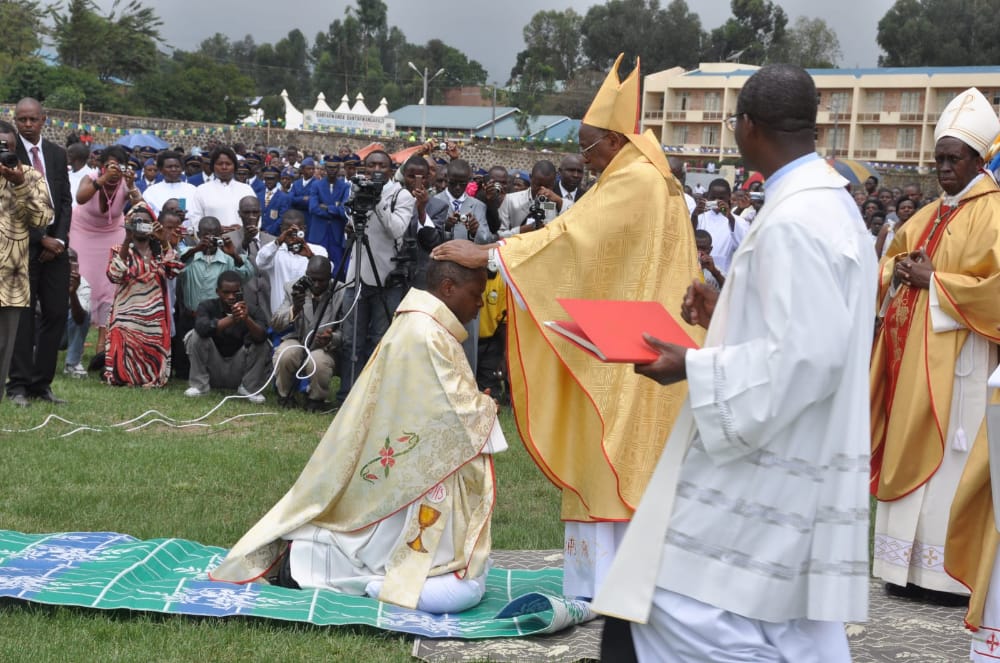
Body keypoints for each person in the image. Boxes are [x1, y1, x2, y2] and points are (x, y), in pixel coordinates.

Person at [591, 63, 877, 661]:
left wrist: (692, 367)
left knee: (671, 603)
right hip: (796, 450)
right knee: (789, 627)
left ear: (747, 126)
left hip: (767, 467)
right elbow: (805, 327)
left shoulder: (796, 221)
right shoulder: (830, 206)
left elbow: (807, 359)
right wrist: (728, 309)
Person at [432, 53, 702, 604]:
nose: (583, 158)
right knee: (614, 455)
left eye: (587, 146)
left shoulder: (637, 182)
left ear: (615, 141)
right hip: (631, 336)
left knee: (615, 454)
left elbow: (571, 241)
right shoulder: (643, 176)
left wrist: (488, 254)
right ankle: (612, 587)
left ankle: (612, 588)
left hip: (635, 350)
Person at [210, 259, 504, 615]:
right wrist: (484, 408)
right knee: (382, 543)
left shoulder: (430, 326)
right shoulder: (424, 332)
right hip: (412, 459)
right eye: (475, 295)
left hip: (414, 456)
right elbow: (450, 407)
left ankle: (314, 560)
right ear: (447, 288)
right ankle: (305, 564)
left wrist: (477, 406)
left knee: (397, 538)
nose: (479, 304)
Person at [871, 87, 1000, 605]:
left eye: (954, 158)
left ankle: (946, 577)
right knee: (913, 456)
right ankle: (902, 569)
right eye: (939, 158)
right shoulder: (928, 213)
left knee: (951, 463)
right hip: (913, 368)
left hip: (964, 366)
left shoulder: (994, 213)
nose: (944, 167)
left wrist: (937, 283)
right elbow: (890, 261)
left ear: (979, 157)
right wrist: (897, 271)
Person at [7, 98, 74, 407]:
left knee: (57, 312)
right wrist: (40, 238)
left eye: (33, 119)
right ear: (15, 120)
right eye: (22, 119)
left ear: (44, 119)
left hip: (56, 249)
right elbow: (11, 203)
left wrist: (58, 240)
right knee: (23, 318)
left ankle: (41, 383)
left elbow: (64, 201)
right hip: (23, 247)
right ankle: (18, 384)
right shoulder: (8, 152)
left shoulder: (57, 154)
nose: (28, 124)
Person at [335, 150, 414, 402]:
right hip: (356, 274)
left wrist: (378, 199)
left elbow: (396, 230)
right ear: (365, 168)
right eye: (372, 165)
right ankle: (347, 394)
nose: (377, 169)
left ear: (391, 170)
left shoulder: (402, 195)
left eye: (382, 165)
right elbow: (351, 219)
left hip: (386, 277)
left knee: (380, 340)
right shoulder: (356, 187)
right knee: (350, 340)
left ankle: (372, 397)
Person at [71, 145, 144, 371]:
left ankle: (102, 344)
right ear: (101, 166)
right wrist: (102, 180)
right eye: (109, 165)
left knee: (109, 286)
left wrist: (131, 185)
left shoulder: (125, 183)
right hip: (83, 231)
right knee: (83, 282)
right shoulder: (91, 177)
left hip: (112, 233)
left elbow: (141, 207)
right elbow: (81, 198)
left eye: (118, 166)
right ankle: (76, 342)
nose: (114, 170)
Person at [0, 122, 53, 405]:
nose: (3, 152)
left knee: (5, 345)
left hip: (11, 277)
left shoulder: (31, 177)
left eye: (7, 148)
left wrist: (19, 185)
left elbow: (43, 219)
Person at [104, 204, 183, 387]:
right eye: (136, 222)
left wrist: (164, 241)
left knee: (153, 344)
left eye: (146, 222)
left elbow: (174, 270)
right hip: (126, 312)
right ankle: (123, 376)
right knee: (125, 343)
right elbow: (114, 275)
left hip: (154, 313)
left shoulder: (160, 252)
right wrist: (127, 239)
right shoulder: (119, 249)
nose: (141, 225)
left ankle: (151, 377)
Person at [184, 270, 271, 402]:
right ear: (218, 291)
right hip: (213, 368)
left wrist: (247, 319)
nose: (231, 296)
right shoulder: (207, 306)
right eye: (226, 292)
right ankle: (200, 386)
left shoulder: (253, 310)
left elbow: (262, 336)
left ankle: (249, 388)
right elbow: (201, 328)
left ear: (241, 291)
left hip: (239, 370)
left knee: (263, 343)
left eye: (235, 292)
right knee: (193, 335)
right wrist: (232, 319)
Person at [271, 256, 343, 411]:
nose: (316, 284)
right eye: (312, 279)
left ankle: (316, 400)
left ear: (330, 277)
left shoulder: (342, 292)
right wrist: (294, 309)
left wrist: (332, 338)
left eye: (322, 280)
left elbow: (348, 332)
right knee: (285, 353)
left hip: (326, 347)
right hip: (299, 339)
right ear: (306, 275)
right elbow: (276, 323)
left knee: (317, 361)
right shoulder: (293, 288)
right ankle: (285, 395)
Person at [256, 211, 328, 316]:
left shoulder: (318, 250)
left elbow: (326, 274)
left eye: (297, 230)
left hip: (308, 317)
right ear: (281, 229)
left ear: (304, 229)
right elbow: (260, 262)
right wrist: (278, 242)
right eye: (288, 230)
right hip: (281, 317)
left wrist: (310, 256)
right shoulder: (274, 252)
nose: (292, 235)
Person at [186, 147, 256, 244]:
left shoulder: (246, 189)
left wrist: (242, 229)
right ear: (213, 166)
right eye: (220, 164)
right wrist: (214, 229)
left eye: (228, 164)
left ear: (234, 166)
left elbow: (256, 217)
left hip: (242, 242)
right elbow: (195, 219)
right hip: (212, 243)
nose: (224, 167)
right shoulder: (202, 190)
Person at [693, 177, 749, 276]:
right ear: (708, 197)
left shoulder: (739, 221)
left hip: (724, 275)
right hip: (698, 273)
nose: (717, 201)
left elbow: (743, 244)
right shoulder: (700, 217)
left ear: (729, 197)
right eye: (713, 198)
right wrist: (694, 216)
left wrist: (730, 217)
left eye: (721, 198)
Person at [307, 157, 350, 270]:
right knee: (316, 264)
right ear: (325, 168)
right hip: (318, 232)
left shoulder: (345, 186)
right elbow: (313, 208)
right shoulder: (316, 185)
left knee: (337, 266)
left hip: (336, 232)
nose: (332, 170)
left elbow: (344, 210)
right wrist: (335, 210)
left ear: (339, 168)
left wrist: (327, 207)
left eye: (335, 167)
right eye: (329, 167)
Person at [141, 150, 197, 217]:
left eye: (177, 166)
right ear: (161, 170)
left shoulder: (192, 190)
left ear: (182, 168)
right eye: (169, 167)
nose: (173, 169)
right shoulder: (151, 192)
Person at [64, 248, 91, 378]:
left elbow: (80, 319)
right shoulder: (43, 278)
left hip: (63, 333)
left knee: (84, 314)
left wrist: (72, 292)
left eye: (73, 260)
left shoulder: (83, 284)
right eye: (66, 260)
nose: (69, 263)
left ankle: (72, 364)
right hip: (43, 330)